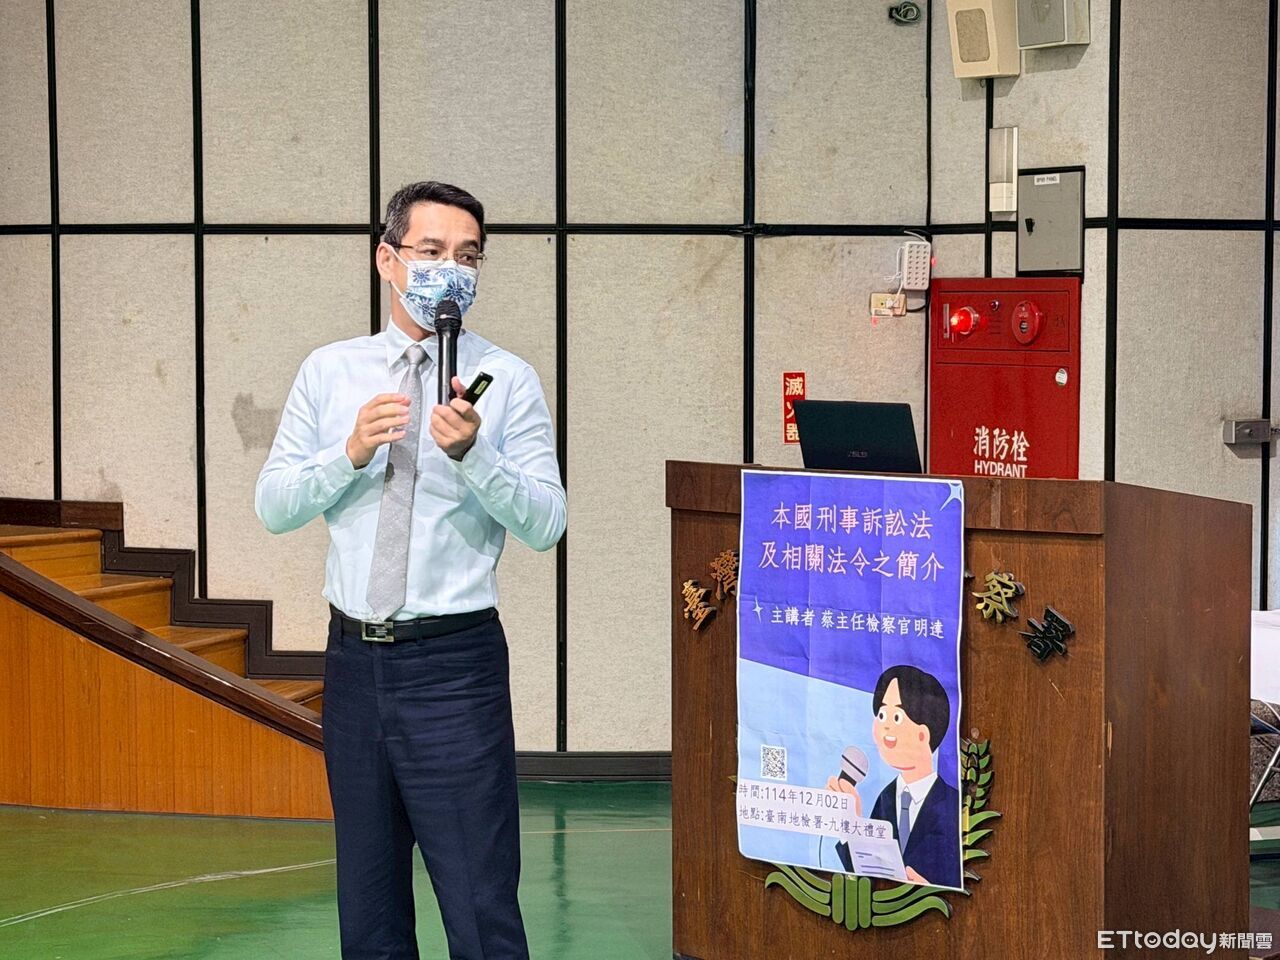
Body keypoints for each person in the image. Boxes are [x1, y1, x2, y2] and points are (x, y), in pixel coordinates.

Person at [255, 180, 565, 959]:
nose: (450, 270)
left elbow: (546, 522)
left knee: (481, 908)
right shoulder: (330, 372)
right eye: (431, 251)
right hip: (353, 665)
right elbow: (275, 505)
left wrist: (476, 455)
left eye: (468, 256)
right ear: (387, 260)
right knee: (369, 911)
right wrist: (350, 452)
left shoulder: (507, 379)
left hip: (454, 667)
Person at [829, 664, 962, 888]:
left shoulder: (952, 804)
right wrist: (850, 824)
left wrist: (935, 890)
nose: (884, 727)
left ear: (923, 733)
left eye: (896, 717)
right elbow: (864, 873)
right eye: (881, 715)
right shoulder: (886, 798)